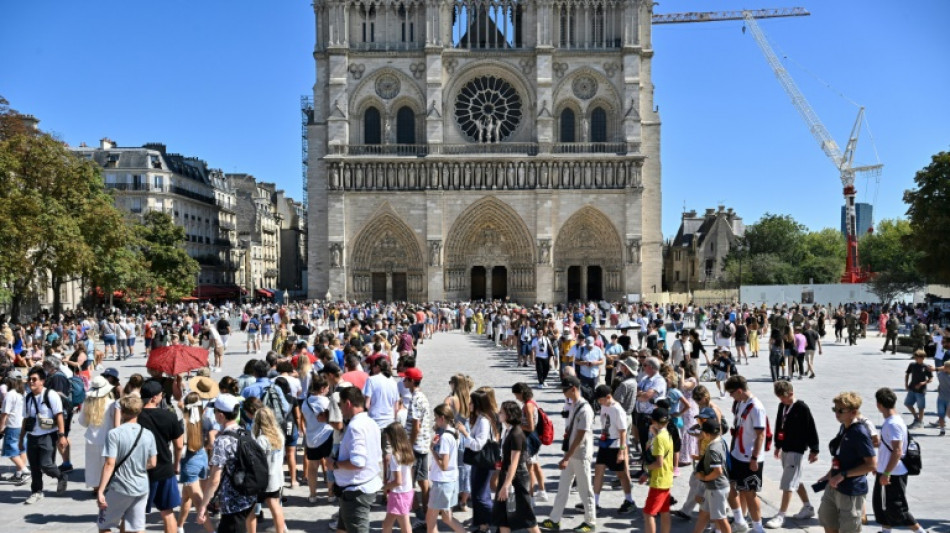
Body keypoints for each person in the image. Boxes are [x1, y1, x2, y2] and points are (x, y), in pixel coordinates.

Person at [539, 376, 596, 533]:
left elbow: (580, 436)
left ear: (574, 389)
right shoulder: (574, 405)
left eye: (565, 389)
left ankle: (590, 522)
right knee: (563, 487)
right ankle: (555, 519)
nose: (563, 392)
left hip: (580, 454)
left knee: (585, 490)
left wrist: (566, 457)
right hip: (572, 453)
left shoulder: (585, 409)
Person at [197, 394, 259, 532]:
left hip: (233, 501)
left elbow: (214, 479)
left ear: (220, 415)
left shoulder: (222, 441)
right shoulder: (246, 433)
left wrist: (203, 505)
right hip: (248, 496)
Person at [96, 396, 158, 533]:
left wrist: (100, 490)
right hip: (141, 486)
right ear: (139, 411)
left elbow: (109, 464)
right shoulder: (148, 434)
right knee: (136, 527)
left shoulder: (114, 434)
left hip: (120, 486)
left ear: (122, 412)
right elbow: (153, 463)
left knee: (105, 525)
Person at [817, 391, 877, 533]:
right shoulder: (844, 426)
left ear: (853, 412)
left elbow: (871, 464)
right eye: (835, 409)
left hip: (851, 490)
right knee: (827, 520)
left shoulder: (860, 432)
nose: (836, 413)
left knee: (849, 529)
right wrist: (830, 474)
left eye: (840, 410)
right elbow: (840, 456)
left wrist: (843, 474)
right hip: (834, 485)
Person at [872, 388, 928, 533]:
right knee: (883, 505)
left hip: (893, 473)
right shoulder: (893, 421)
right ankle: (885, 531)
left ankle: (921, 532)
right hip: (888, 470)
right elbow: (890, 447)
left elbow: (897, 450)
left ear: (879, 405)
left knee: (898, 508)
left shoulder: (893, 423)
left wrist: (886, 472)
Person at [765, 381, 818, 529]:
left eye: (784, 397)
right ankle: (808, 507)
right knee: (795, 478)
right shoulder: (782, 406)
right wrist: (777, 445)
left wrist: (815, 449)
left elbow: (811, 428)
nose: (782, 400)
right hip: (786, 448)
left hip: (797, 449)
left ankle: (781, 515)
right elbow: (778, 425)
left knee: (788, 482)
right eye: (779, 398)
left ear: (791, 393)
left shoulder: (802, 408)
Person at [330, 386, 383, 533]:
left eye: (340, 405)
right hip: (356, 488)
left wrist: (334, 464)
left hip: (356, 491)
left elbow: (358, 462)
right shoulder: (371, 422)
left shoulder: (355, 427)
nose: (340, 410)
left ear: (348, 404)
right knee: (341, 528)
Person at [137, 380, 184, 533]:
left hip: (140, 470)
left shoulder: (136, 417)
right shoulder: (168, 416)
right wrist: (176, 464)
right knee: (167, 512)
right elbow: (178, 445)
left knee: (135, 513)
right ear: (154, 398)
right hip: (164, 468)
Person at [724, 375, 767, 533]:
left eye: (731, 392)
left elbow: (760, 435)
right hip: (737, 454)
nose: (730, 396)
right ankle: (740, 519)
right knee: (737, 488)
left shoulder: (756, 407)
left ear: (740, 390)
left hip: (750, 457)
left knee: (750, 492)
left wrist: (755, 458)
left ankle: (758, 527)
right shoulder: (741, 402)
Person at [20, 366, 68, 504]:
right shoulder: (28, 397)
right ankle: (36, 491)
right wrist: (21, 437)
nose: (31, 382)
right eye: (29, 379)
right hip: (32, 436)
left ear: (42, 381)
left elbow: (59, 415)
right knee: (34, 466)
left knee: (46, 464)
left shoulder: (50, 395)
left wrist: (62, 435)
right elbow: (26, 418)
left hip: (48, 435)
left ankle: (61, 476)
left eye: (34, 379)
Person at [492, 400, 541, 533]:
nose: (498, 413)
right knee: (502, 516)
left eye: (501, 412)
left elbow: (514, 462)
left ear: (508, 415)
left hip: (516, 478)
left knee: (526, 516)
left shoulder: (516, 434)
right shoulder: (508, 430)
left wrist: (506, 485)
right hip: (507, 475)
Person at [456, 388, 499, 533]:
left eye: (471, 402)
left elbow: (477, 445)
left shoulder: (484, 421)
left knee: (480, 495)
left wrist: (465, 433)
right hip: (479, 462)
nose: (469, 404)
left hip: (483, 462)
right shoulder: (480, 418)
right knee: (479, 493)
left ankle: (489, 523)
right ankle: (482, 524)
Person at [591, 384, 635, 514]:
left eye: (601, 400)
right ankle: (595, 502)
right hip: (604, 443)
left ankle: (629, 500)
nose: (599, 402)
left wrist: (622, 451)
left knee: (622, 475)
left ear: (608, 397)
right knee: (598, 471)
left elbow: (623, 432)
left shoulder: (618, 410)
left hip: (615, 445)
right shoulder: (605, 406)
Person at [426, 403, 466, 533]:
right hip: (451, 481)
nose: (434, 420)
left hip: (442, 482)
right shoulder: (455, 432)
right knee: (447, 518)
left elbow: (444, 465)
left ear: (442, 418)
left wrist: (432, 449)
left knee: (430, 519)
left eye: (436, 417)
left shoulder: (445, 438)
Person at [690, 420, 732, 533]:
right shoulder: (720, 442)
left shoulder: (713, 448)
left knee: (721, 519)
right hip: (713, 487)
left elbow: (717, 471)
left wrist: (703, 478)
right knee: (703, 514)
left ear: (706, 433)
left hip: (717, 488)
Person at [79, 376, 119, 492]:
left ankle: (96, 488)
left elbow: (82, 422)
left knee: (93, 465)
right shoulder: (112, 404)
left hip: (92, 437)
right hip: (108, 438)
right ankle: (106, 487)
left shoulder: (87, 403)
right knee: (107, 464)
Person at [250, 408, 288, 533]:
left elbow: (256, 460)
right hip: (277, 475)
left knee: (253, 509)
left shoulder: (262, 439)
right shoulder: (279, 434)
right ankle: (280, 530)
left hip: (265, 478)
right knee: (276, 507)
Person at [510, 383, 548, 503]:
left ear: (521, 393)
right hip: (534, 437)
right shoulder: (532, 403)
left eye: (517, 395)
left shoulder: (527, 406)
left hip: (529, 439)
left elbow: (530, 426)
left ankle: (530, 497)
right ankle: (542, 491)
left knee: (529, 469)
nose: (516, 398)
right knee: (536, 465)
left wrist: (516, 425)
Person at [639, 407, 674, 533]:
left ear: (654, 421)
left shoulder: (659, 439)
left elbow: (658, 463)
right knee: (664, 512)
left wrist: (646, 468)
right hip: (667, 478)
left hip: (658, 481)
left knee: (648, 513)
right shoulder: (667, 435)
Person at [301, 375, 334, 503]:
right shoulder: (325, 402)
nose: (328, 390)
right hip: (326, 436)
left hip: (311, 438)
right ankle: (330, 494)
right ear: (322, 389)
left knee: (312, 468)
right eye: (327, 388)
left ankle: (312, 495)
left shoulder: (306, 402)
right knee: (329, 465)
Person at [382, 422, 414, 533]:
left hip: (398, 494)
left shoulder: (395, 456)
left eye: (388, 437)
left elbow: (398, 481)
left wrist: (385, 487)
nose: (387, 440)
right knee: (390, 524)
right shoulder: (407, 451)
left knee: (398, 525)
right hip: (407, 492)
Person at [903, 350, 932, 429]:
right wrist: (906, 384)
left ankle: (920, 421)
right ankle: (916, 418)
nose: (917, 359)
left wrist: (922, 383)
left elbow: (930, 378)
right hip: (912, 388)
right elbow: (907, 374)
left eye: (919, 358)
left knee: (921, 407)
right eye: (916, 357)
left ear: (923, 358)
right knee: (908, 404)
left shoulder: (926, 367)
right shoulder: (912, 365)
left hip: (921, 390)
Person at [933, 360, 950, 435]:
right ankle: (942, 430)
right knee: (941, 415)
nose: (944, 368)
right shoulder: (941, 374)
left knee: (949, 414)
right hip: (941, 398)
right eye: (944, 366)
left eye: (946, 367)